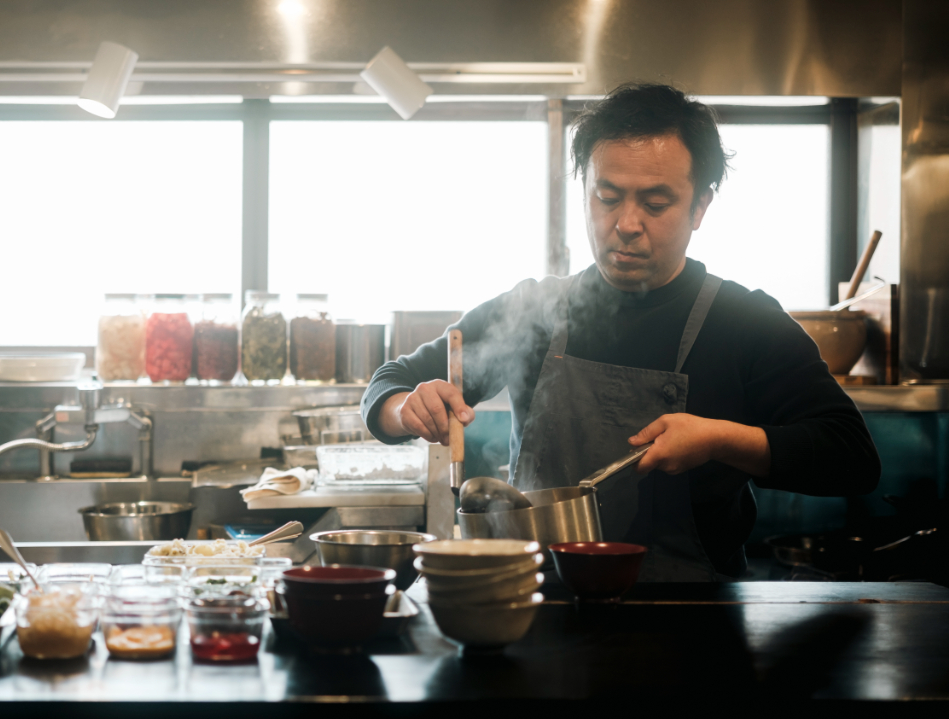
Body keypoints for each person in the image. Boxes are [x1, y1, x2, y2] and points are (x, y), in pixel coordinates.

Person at [362, 83, 880, 581]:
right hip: (541, 603)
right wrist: (408, 406)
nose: (627, 224)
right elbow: (391, 382)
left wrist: (720, 439)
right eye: (607, 197)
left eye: (656, 204)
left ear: (700, 206)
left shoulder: (745, 323)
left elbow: (852, 458)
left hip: (691, 617)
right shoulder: (534, 308)